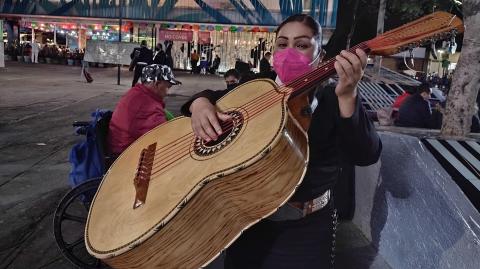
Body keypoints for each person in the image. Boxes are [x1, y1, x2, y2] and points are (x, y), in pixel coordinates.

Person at [180, 14, 381, 268]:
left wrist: (348, 96)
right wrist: (200, 104)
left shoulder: (334, 96)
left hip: (305, 230)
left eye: (302, 45)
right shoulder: (256, 85)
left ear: (320, 54)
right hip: (246, 223)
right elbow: (213, 96)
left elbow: (367, 154)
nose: (288, 52)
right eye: (282, 44)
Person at [108, 64, 182, 155]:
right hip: (126, 156)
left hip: (120, 146)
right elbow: (166, 139)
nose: (168, 92)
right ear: (157, 84)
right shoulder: (148, 107)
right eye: (168, 87)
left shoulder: (136, 93)